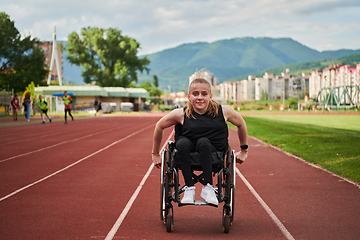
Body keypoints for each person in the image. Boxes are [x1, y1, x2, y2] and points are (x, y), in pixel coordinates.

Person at [152, 78, 248, 206]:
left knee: (204, 142)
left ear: (210, 96)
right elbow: (159, 126)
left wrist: (244, 150)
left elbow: (241, 124)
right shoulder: (181, 114)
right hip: (188, 152)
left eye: (204, 94)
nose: (200, 98)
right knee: (181, 143)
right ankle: (189, 188)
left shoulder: (224, 111)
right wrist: (155, 154)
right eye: (195, 94)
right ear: (189, 96)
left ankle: (208, 187)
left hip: (215, 152)